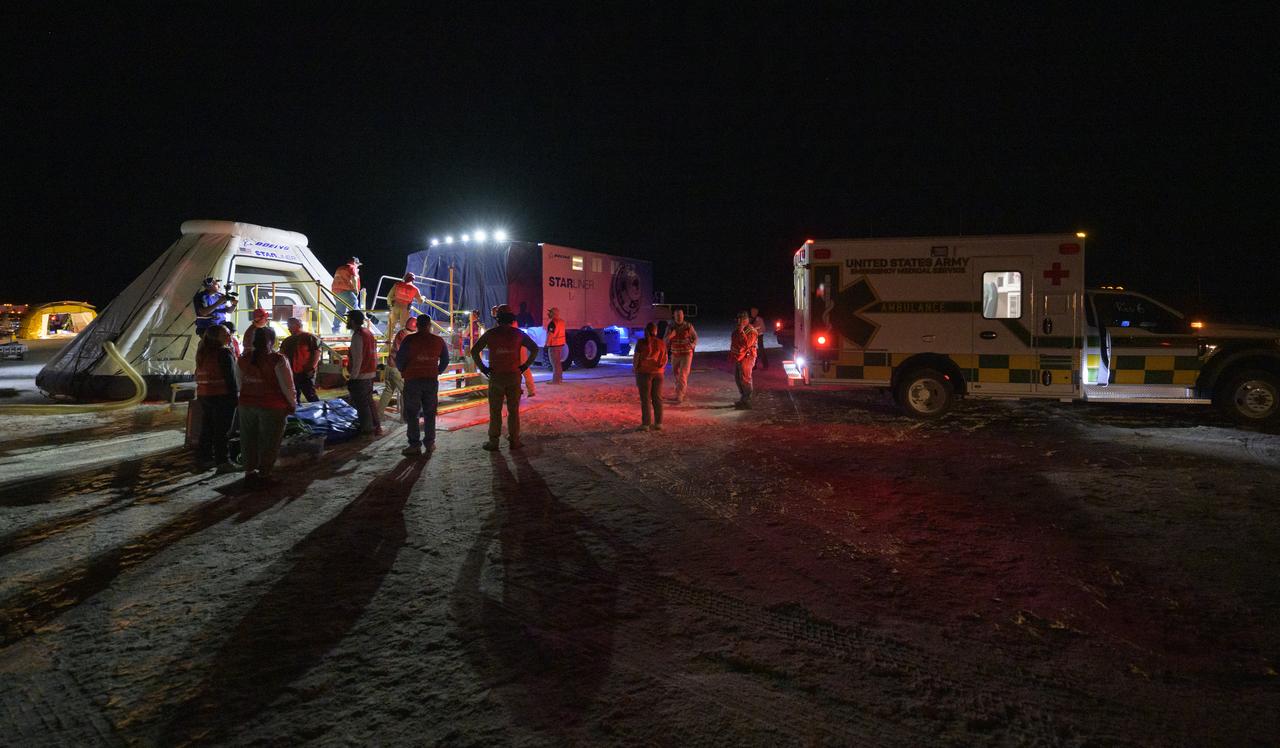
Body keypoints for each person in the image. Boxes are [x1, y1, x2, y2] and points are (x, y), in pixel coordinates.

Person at [237, 326, 296, 485]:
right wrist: (292, 404)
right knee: (270, 441)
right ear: (272, 341)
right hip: (272, 406)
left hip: (247, 404)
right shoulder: (278, 359)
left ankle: (249, 472)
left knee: (248, 439)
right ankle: (265, 474)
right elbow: (287, 386)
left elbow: (239, 384)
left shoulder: (243, 359)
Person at [471, 310, 538, 450]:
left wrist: (483, 368)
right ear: (512, 321)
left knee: (495, 411)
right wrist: (525, 366)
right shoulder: (518, 334)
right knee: (513, 411)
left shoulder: (491, 334)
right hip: (514, 376)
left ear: (497, 320)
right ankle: (514, 440)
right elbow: (534, 348)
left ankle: (494, 442)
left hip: (496, 377)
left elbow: (474, 351)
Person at [396, 314, 450, 456]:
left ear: (417, 325)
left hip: (413, 380)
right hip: (430, 380)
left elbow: (400, 359)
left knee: (412, 413)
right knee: (430, 412)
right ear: (429, 325)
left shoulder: (409, 340)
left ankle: (414, 444)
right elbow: (445, 359)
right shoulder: (438, 341)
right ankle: (430, 443)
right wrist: (438, 371)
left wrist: (404, 370)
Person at [194, 324, 239, 473]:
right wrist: (235, 398)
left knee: (207, 428)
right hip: (222, 396)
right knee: (222, 431)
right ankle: (223, 462)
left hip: (205, 395)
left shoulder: (203, 352)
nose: (229, 336)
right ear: (216, 337)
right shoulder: (224, 353)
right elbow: (231, 379)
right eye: (225, 334)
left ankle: (204, 458)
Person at [346, 309, 382, 436]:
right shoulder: (368, 333)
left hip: (361, 375)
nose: (347, 321)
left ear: (353, 320)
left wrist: (353, 378)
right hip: (370, 373)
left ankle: (367, 429)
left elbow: (357, 358)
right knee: (369, 402)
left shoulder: (358, 336)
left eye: (348, 319)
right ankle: (375, 426)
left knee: (362, 405)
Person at [378, 316, 416, 419]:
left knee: (388, 390)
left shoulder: (401, 332)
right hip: (397, 369)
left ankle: (378, 416)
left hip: (389, 366)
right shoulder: (409, 336)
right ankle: (405, 418)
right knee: (406, 392)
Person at [633, 321, 668, 431]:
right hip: (658, 374)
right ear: (656, 331)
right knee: (657, 398)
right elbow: (665, 359)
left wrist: (636, 369)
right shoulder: (661, 343)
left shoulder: (641, 343)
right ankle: (658, 423)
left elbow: (636, 358)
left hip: (644, 373)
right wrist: (660, 368)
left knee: (645, 399)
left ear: (645, 331)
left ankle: (646, 424)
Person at [279, 317, 321, 404]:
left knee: (310, 395)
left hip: (305, 373)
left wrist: (311, 368)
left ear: (298, 325)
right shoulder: (287, 341)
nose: (288, 328)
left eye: (290, 326)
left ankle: (318, 413)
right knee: (295, 397)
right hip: (293, 374)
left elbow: (316, 353)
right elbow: (282, 356)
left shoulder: (309, 337)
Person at [663, 308, 698, 403]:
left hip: (686, 354)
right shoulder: (670, 327)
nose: (679, 317)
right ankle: (679, 392)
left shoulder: (688, 326)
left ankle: (680, 395)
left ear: (683, 316)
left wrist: (692, 345)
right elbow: (664, 341)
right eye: (677, 315)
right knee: (676, 374)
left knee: (682, 375)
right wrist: (671, 335)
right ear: (674, 316)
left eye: (681, 315)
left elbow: (695, 337)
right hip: (675, 354)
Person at [730, 311, 759, 409]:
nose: (739, 322)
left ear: (746, 320)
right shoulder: (738, 329)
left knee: (745, 379)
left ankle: (748, 401)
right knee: (738, 379)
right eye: (738, 320)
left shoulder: (751, 331)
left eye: (741, 320)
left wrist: (741, 331)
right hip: (739, 357)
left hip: (748, 357)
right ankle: (743, 399)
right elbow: (734, 342)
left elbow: (746, 344)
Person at [386, 272, 424, 341]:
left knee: (391, 326)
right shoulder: (415, 289)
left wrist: (390, 305)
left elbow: (389, 296)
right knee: (404, 327)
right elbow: (420, 301)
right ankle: (402, 343)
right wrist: (423, 298)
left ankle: (388, 343)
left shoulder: (397, 285)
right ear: (413, 280)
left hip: (395, 307)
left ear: (405, 278)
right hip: (405, 309)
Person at [330, 256, 362, 333]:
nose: (357, 266)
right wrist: (356, 290)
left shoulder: (340, 268)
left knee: (339, 312)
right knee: (355, 310)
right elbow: (354, 279)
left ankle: (335, 330)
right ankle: (355, 331)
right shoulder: (352, 267)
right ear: (355, 263)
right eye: (357, 264)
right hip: (346, 291)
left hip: (336, 292)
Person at [545, 306, 566, 383]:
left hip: (554, 345)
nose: (548, 314)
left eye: (550, 312)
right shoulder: (561, 321)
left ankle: (556, 380)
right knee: (558, 362)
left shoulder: (552, 323)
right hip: (560, 344)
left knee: (554, 363)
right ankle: (559, 378)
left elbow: (550, 334)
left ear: (553, 314)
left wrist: (546, 343)